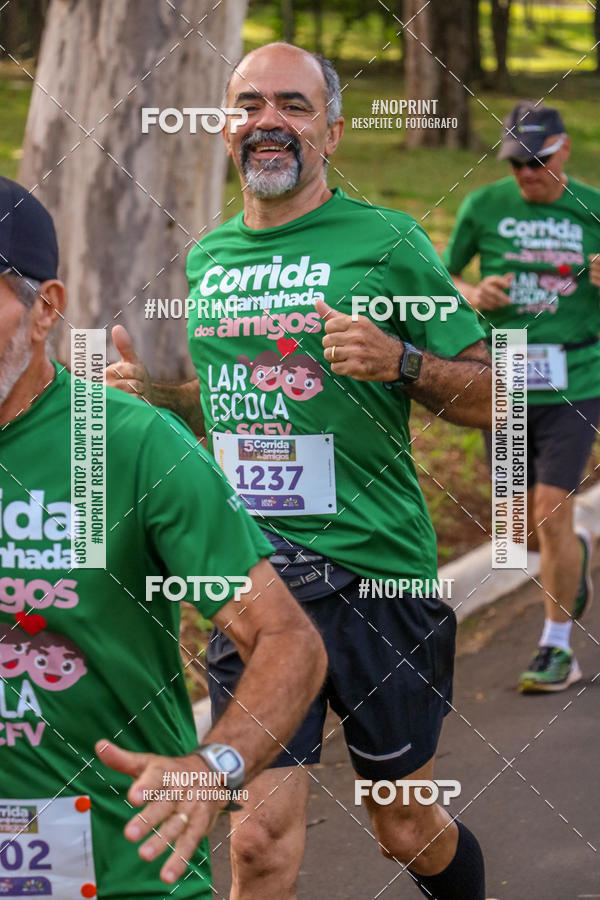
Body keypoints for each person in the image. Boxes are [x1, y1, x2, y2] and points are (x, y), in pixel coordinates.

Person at [106, 42, 492, 900]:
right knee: (258, 845)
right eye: (249, 105)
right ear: (224, 129)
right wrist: (153, 403)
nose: (268, 122)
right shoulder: (208, 261)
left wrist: (400, 363)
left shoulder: (386, 242)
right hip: (259, 579)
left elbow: (496, 395)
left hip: (376, 575)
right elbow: (233, 408)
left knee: (403, 825)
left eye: (291, 104)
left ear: (334, 132)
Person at [0, 174, 326, 898]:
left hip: (123, 874)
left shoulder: (135, 446)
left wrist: (218, 767)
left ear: (45, 307)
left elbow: (288, 643)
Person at [444, 100, 600, 693]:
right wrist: (473, 291)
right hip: (503, 377)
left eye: (538, 162)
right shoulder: (484, 206)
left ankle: (557, 648)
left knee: (549, 509)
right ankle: (576, 550)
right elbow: (441, 279)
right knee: (518, 533)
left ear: (565, 152)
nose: (528, 174)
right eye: (517, 164)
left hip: (578, 378)